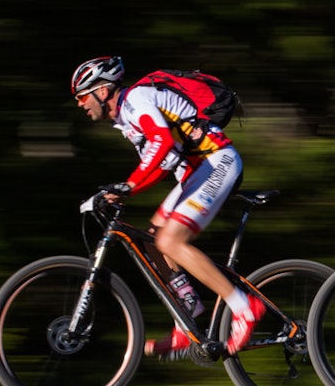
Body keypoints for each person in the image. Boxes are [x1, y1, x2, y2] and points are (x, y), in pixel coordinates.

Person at [71, 55, 263, 360]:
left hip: (217, 162)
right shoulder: (126, 118)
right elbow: (164, 160)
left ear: (103, 91)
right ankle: (186, 318)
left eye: (82, 96)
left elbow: (160, 144)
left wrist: (130, 186)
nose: (80, 104)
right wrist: (120, 191)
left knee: (170, 241)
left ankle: (245, 309)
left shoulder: (137, 100)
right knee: (153, 240)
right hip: (197, 172)